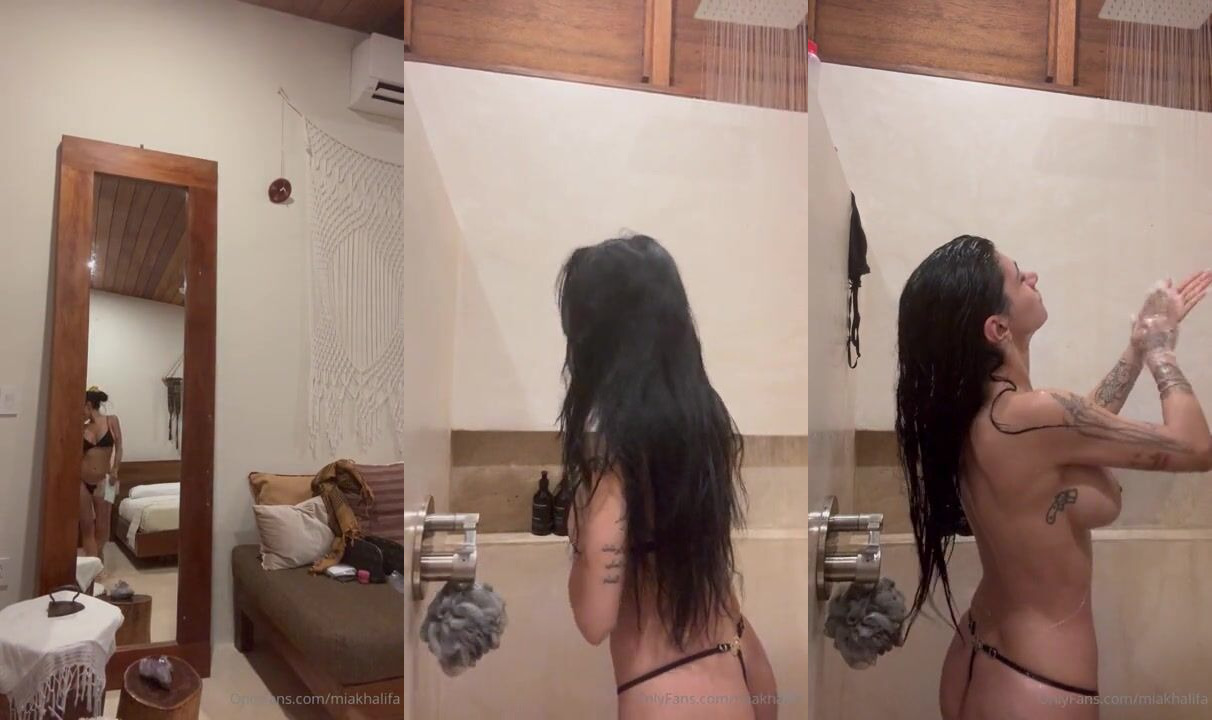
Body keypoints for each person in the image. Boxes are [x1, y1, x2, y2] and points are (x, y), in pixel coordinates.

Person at [894, 235, 1212, 720]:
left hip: (976, 658)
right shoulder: (1034, 415)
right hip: (1036, 684)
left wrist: (1135, 348)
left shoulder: (980, 417)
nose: (1033, 277)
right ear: (998, 328)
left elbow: (1076, 429)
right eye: (1018, 275)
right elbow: (1195, 446)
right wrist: (1161, 353)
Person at [557, 235, 778, 719]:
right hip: (743, 662)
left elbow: (594, 619)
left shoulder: (613, 467)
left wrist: (580, 541)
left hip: (671, 692)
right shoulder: (703, 432)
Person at [82, 386, 123, 568]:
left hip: (104, 480)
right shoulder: (82, 427)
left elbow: (119, 447)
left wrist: (115, 469)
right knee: (86, 526)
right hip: (82, 481)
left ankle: (97, 558)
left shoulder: (111, 420)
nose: (80, 412)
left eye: (81, 407)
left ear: (89, 405)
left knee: (103, 527)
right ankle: (92, 568)